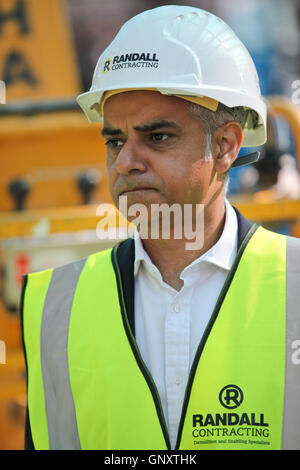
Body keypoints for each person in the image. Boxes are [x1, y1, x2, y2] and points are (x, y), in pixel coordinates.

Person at [20, 5, 300, 450]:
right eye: (115, 140)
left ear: (226, 145)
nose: (126, 162)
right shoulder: (56, 305)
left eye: (157, 137)